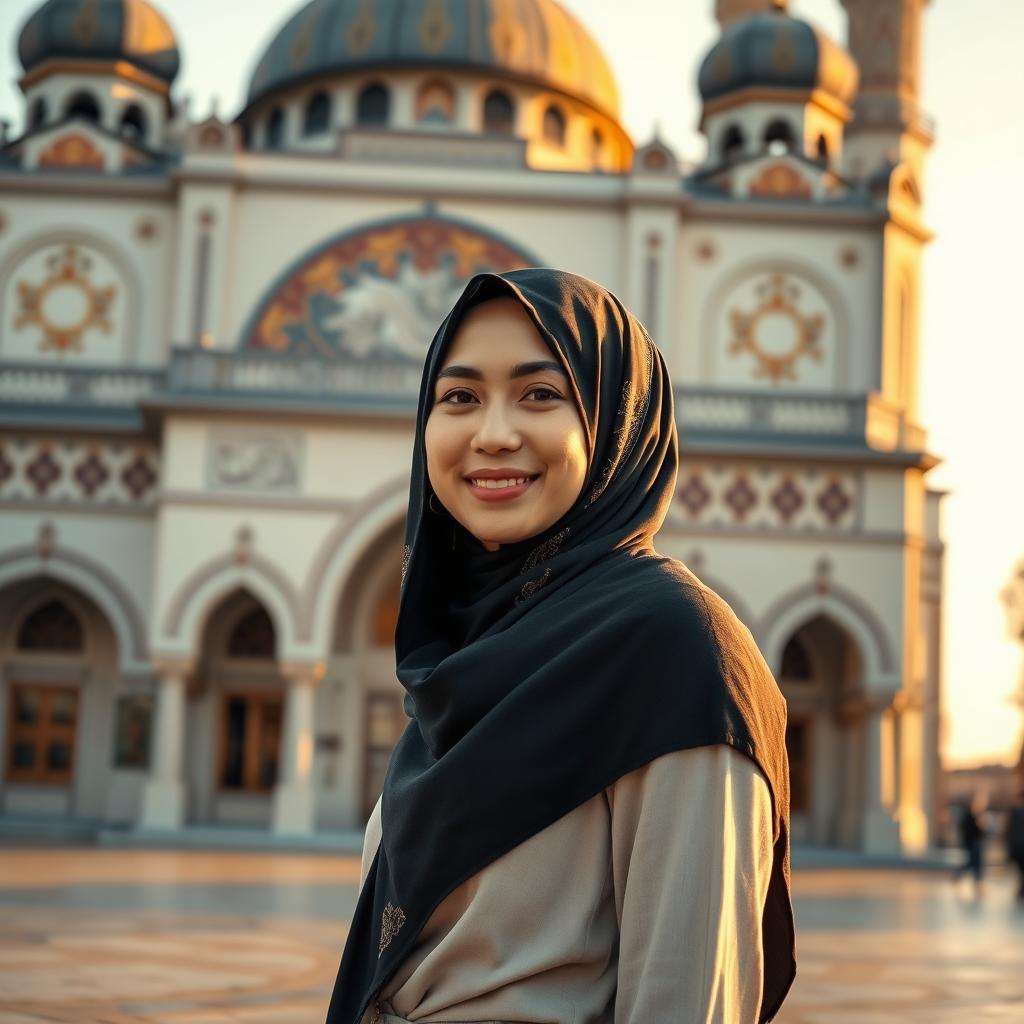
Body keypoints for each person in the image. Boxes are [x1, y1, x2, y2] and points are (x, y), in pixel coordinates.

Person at [324, 268, 796, 1024]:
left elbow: (686, 993)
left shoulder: (671, 652)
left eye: (540, 394)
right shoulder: (464, 655)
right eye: (460, 396)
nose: (493, 433)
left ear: (615, 421)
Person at [952, 791, 988, 897]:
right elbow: (969, 831)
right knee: (973, 863)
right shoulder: (970, 816)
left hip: (975, 843)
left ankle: (976, 882)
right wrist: (980, 826)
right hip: (972, 843)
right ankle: (962, 877)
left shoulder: (975, 816)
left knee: (975, 863)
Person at [1005, 785, 1024, 903]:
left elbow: (1008, 831)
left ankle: (1021, 891)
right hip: (1019, 846)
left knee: (1021, 870)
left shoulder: (1013, 812)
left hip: (1017, 846)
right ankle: (1021, 891)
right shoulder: (1014, 812)